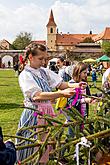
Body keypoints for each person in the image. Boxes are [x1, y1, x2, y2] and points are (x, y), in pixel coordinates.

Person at [16, 43, 83, 164]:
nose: (43, 62)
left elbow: (60, 84)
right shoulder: (25, 75)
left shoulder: (43, 72)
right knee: (32, 144)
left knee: (45, 145)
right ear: (30, 57)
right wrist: (61, 94)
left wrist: (76, 85)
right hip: (34, 114)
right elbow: (37, 96)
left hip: (45, 113)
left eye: (45, 58)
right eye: (40, 59)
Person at [66, 62, 94, 137]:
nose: (86, 75)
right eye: (84, 73)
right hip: (73, 116)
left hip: (83, 114)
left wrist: (95, 97)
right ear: (78, 72)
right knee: (71, 136)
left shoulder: (84, 84)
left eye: (87, 72)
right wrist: (84, 100)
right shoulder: (72, 84)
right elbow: (71, 102)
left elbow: (88, 96)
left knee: (81, 136)